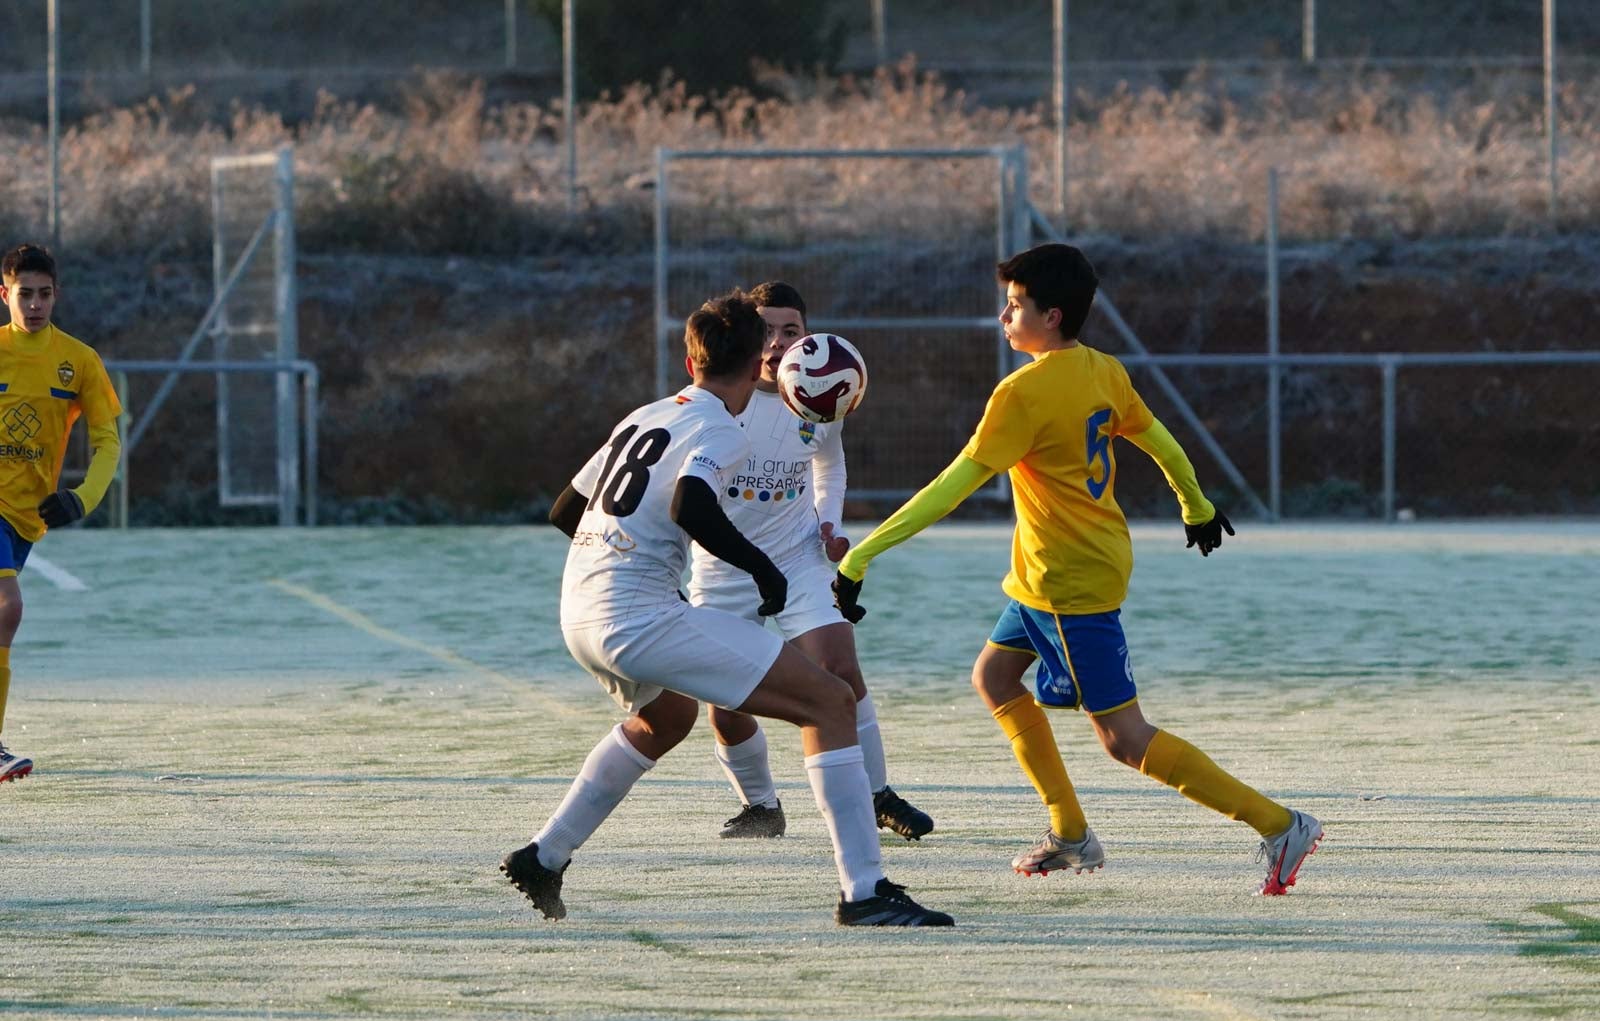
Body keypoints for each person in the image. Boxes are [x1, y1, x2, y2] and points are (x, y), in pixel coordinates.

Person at [831, 243, 1322, 896]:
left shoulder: (1023, 393)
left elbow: (951, 489)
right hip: (1055, 573)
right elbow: (1161, 440)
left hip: (1068, 582)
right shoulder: (1103, 371)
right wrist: (1196, 505)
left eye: (1014, 306)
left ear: (1052, 315)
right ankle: (1069, 832)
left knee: (1124, 737)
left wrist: (862, 555)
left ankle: (1279, 823)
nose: (1003, 317)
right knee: (996, 676)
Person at [500, 290, 952, 926]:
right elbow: (692, 505)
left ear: (691, 364)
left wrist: (625, 562)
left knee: (667, 720)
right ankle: (865, 893)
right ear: (753, 371)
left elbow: (565, 511)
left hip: (580, 611)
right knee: (829, 701)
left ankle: (543, 856)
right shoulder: (720, 427)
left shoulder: (645, 415)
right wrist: (761, 570)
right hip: (639, 618)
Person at [686, 281, 933, 842]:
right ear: (746, 337)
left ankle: (876, 795)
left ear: (807, 336)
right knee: (725, 701)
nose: (777, 343)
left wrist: (829, 522)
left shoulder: (821, 396)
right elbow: (679, 493)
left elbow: (830, 466)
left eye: (790, 330)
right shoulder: (715, 400)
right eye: (766, 330)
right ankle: (760, 806)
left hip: (798, 558)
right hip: (724, 570)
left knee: (840, 669)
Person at [0, 244, 123, 785]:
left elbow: (107, 442)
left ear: (56, 296)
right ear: (4, 294)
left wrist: (81, 497)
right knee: (7, 607)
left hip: (27, 518)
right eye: (24, 293)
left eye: (44, 294)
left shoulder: (80, 361)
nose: (35, 304)